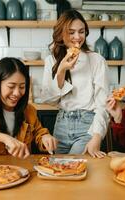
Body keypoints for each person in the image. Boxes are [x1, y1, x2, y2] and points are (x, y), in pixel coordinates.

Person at [41, 9, 110, 158]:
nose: (77, 37)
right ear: (61, 34)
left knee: (75, 168)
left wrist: (97, 136)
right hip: (61, 125)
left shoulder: (97, 60)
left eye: (81, 32)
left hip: (87, 125)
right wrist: (61, 70)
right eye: (71, 32)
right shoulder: (51, 61)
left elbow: (102, 104)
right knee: (58, 171)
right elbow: (48, 98)